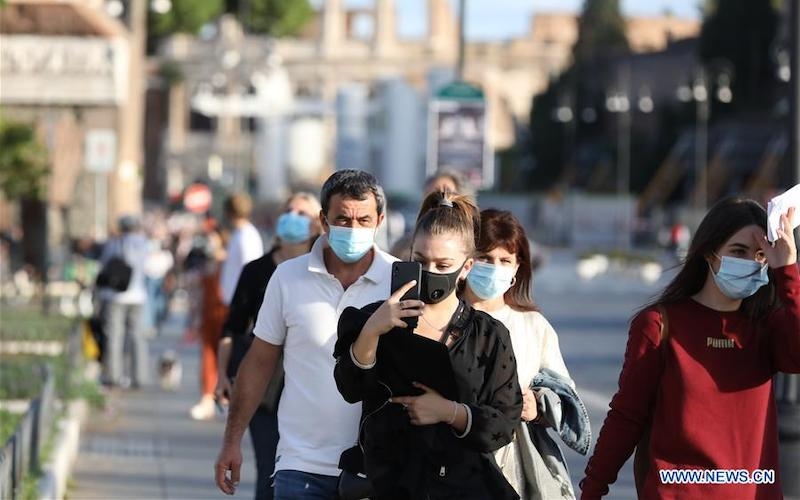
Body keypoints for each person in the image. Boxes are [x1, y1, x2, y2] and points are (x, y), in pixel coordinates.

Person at [580, 197, 799, 499]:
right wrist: (592, 489)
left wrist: (787, 271)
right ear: (709, 251)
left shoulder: (766, 327)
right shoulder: (659, 324)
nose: (752, 263)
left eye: (762, 255)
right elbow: (626, 417)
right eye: (739, 251)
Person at [215, 170, 395, 499]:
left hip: (376, 469)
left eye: (364, 220)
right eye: (342, 219)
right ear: (323, 221)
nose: (353, 230)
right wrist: (231, 441)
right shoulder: (287, 278)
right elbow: (258, 362)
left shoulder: (398, 284)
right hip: (300, 466)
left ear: (379, 220)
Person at [333, 191, 523, 500]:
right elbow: (351, 389)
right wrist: (371, 332)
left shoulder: (488, 335)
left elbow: (504, 423)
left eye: (443, 264)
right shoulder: (374, 318)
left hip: (463, 486)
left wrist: (450, 411)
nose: (431, 272)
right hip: (389, 483)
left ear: (466, 267)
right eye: (421, 261)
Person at [462, 209, 585, 499]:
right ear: (466, 260)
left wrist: (538, 406)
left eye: (505, 261)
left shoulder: (533, 325)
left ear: (518, 268)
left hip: (514, 467)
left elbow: (565, 396)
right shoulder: (442, 315)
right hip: (450, 461)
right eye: (485, 258)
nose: (494, 268)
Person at [214, 192, 322, 500]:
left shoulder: (327, 273)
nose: (293, 217)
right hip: (264, 388)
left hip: (309, 388)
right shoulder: (256, 271)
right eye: (288, 210)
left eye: (302, 213)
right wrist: (222, 374)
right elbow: (232, 329)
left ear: (318, 223)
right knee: (271, 469)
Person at [98, 215, 150, 388]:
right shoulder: (143, 243)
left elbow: (104, 265)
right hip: (138, 295)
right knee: (137, 336)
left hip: (116, 295)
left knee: (114, 335)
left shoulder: (114, 243)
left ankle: (113, 375)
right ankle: (139, 376)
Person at [189, 227, 229, 420]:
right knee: (208, 357)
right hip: (208, 314)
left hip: (225, 314)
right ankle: (207, 398)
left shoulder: (228, 261)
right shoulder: (208, 264)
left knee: (229, 359)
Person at [220, 193, 264, 306]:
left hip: (243, 302)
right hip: (234, 300)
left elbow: (250, 268)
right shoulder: (238, 233)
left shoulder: (246, 236)